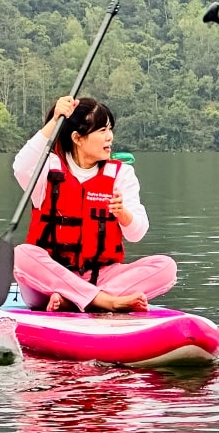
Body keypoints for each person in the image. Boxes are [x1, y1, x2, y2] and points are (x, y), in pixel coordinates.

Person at [13, 95, 176, 312]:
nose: (109, 137)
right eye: (101, 131)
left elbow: (137, 233)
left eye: (110, 129)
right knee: (22, 254)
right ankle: (105, 301)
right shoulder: (46, 169)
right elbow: (21, 167)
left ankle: (75, 300)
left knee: (166, 267)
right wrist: (54, 121)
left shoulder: (121, 174)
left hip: (101, 276)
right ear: (77, 138)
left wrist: (124, 215)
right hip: (52, 278)